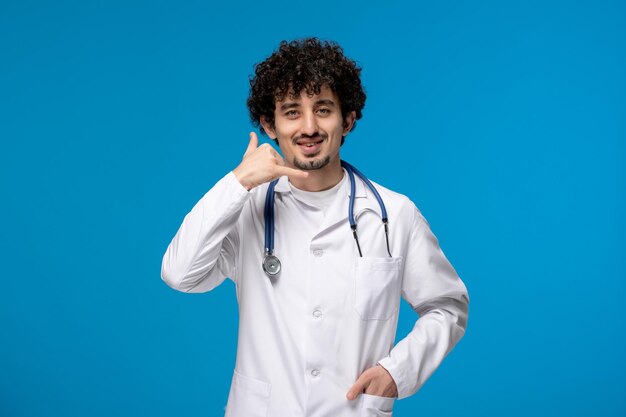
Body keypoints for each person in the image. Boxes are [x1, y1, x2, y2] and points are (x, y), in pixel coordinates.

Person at [161, 37, 469, 417]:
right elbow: (180, 275)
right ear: (269, 125)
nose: (309, 127)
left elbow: (447, 307)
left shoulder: (395, 214)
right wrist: (238, 181)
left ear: (348, 119)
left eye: (323, 109)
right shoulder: (245, 209)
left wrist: (397, 372)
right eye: (291, 112)